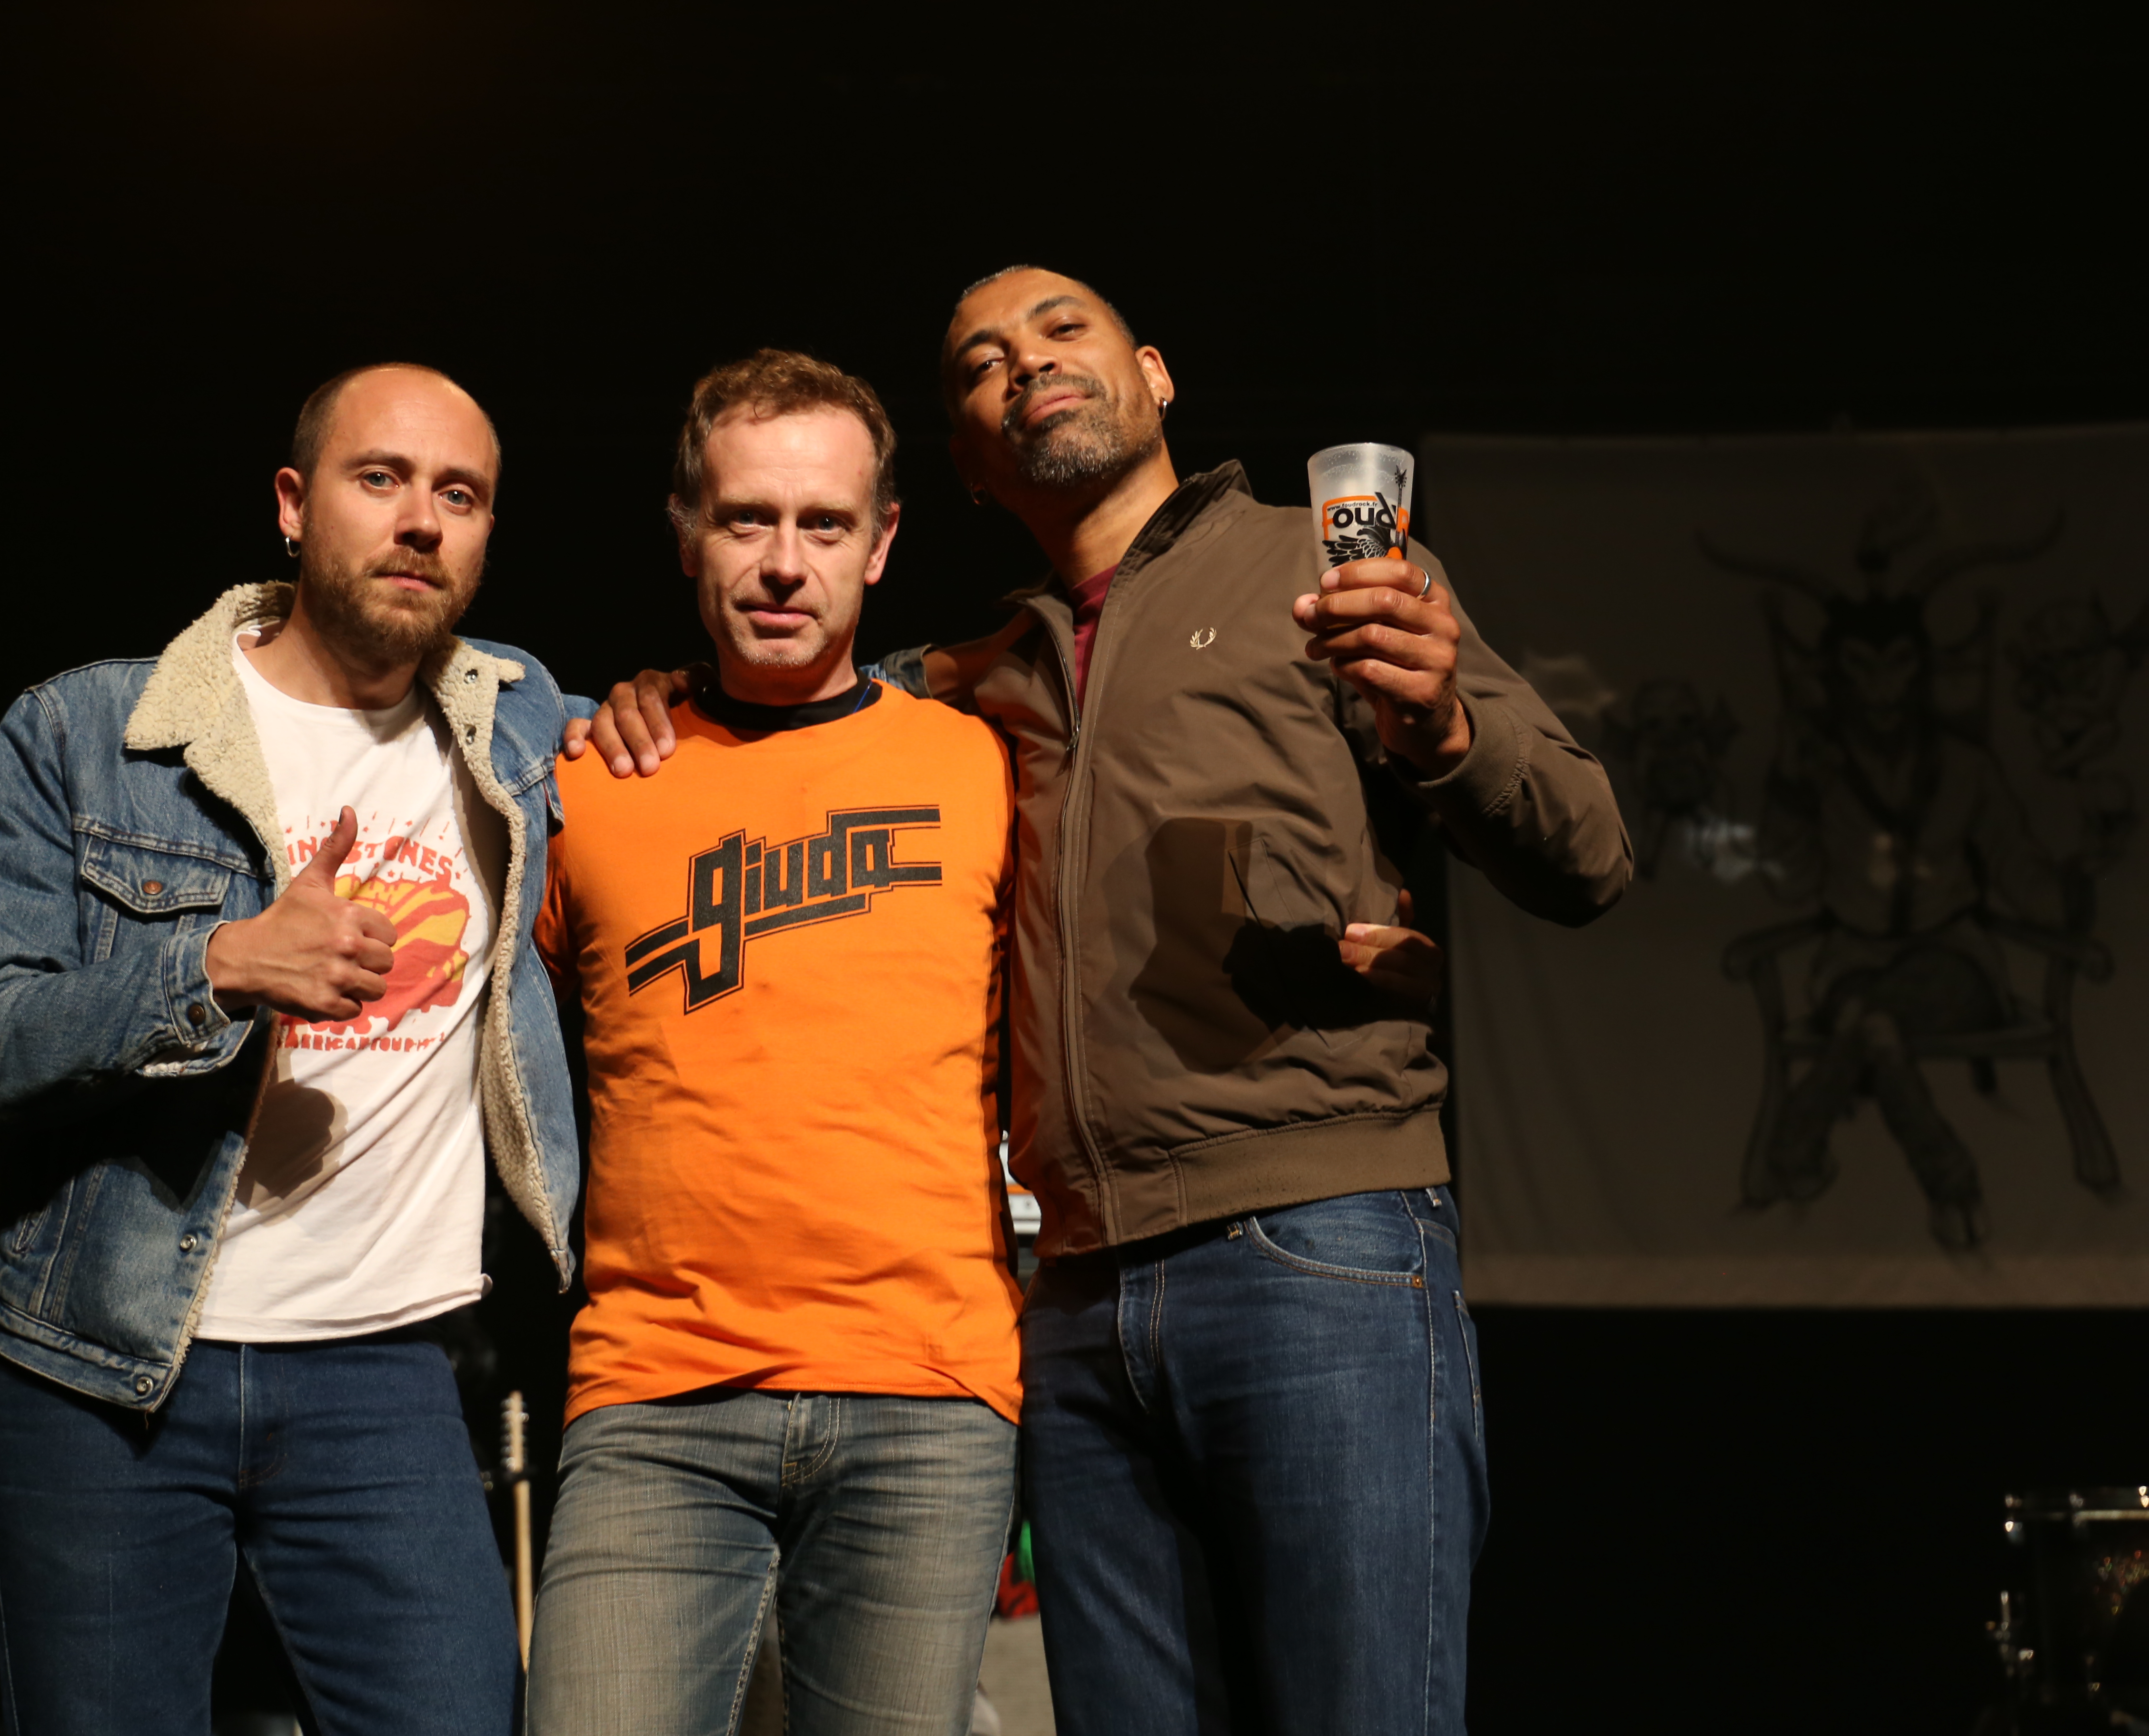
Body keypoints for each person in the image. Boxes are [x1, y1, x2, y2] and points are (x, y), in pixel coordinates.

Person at [572, 268, 1631, 1734]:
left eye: (1063, 329)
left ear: (1156, 374)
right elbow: (788, 693)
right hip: (1071, 1304)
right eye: (982, 363)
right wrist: (663, 696)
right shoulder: (975, 678)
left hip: (1311, 1243)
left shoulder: (1327, 567)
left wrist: (1444, 726)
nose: (1027, 362)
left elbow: (1589, 853)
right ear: (967, 463)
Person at [0, 363, 579, 1736]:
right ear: (293, 505)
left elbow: (733, 721)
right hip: (104, 1371)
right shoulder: (89, 736)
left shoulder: (523, 732)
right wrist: (217, 966)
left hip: (385, 1372)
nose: (421, 521)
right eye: (379, 478)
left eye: (460, 495)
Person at [518, 348, 1023, 1736]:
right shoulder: (587, 779)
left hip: (926, 1393)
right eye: (747, 519)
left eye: (824, 524)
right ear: (688, 531)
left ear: (883, 543)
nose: (785, 563)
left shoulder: (982, 768)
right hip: (653, 1399)